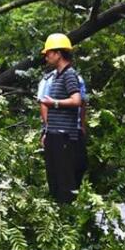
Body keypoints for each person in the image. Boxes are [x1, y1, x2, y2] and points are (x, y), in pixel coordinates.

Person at [39, 33, 82, 203]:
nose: (46, 56)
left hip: (64, 134)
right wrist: (46, 131)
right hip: (54, 133)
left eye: (49, 53)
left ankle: (67, 212)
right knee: (54, 176)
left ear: (58, 53)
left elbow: (77, 100)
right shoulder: (56, 75)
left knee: (64, 179)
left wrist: (55, 103)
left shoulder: (69, 74)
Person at [38, 67, 88, 187]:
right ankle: (63, 200)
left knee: (79, 164)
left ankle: (74, 197)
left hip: (74, 128)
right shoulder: (49, 79)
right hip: (57, 129)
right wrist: (46, 129)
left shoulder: (76, 78)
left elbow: (82, 103)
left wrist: (82, 125)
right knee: (60, 168)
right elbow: (44, 104)